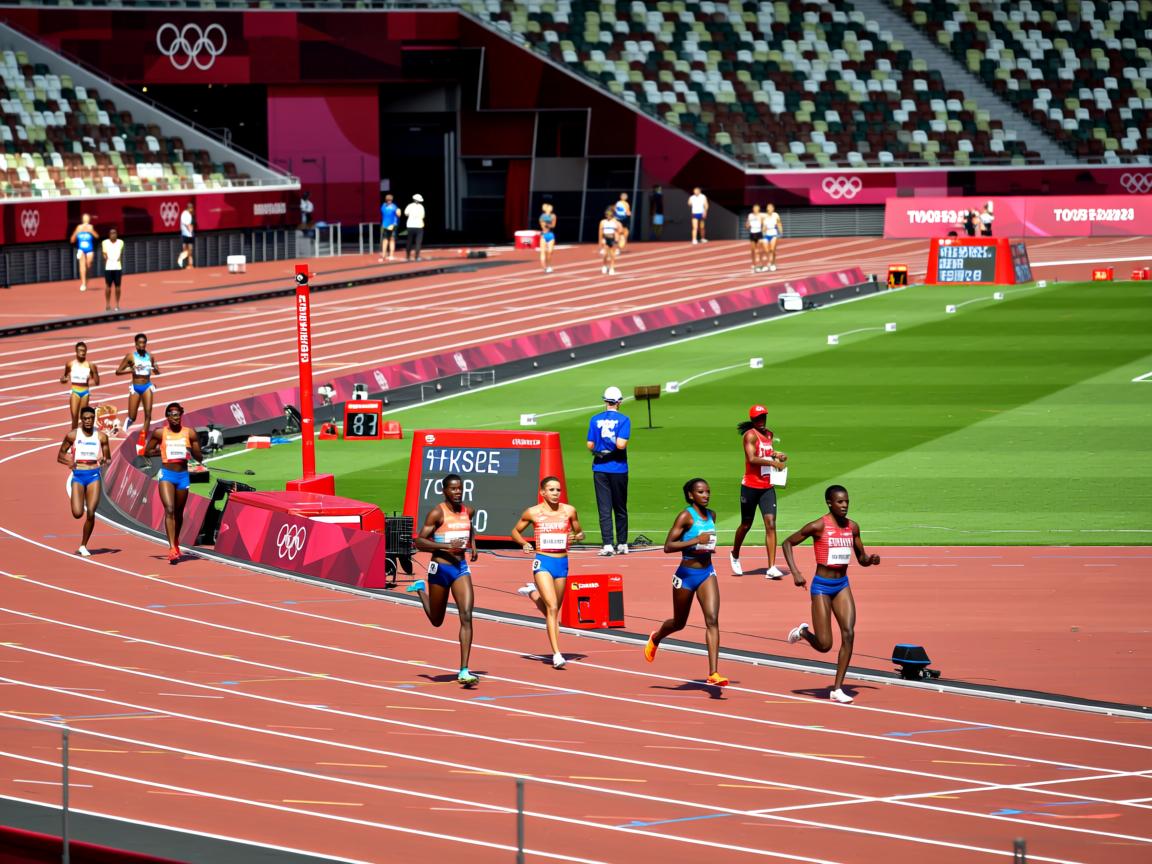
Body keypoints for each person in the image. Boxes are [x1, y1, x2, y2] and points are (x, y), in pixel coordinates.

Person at [781, 484, 881, 704]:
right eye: (839, 501)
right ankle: (804, 632)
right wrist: (796, 573)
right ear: (829, 502)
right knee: (825, 645)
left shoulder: (853, 527)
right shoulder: (818, 526)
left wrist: (870, 560)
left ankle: (837, 688)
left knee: (849, 633)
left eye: (846, 501)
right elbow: (787, 542)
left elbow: (861, 559)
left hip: (842, 585)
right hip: (822, 588)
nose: (844, 505)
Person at [644, 478, 728, 687]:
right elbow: (668, 546)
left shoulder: (712, 515)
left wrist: (707, 547)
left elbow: (707, 542)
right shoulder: (685, 516)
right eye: (701, 492)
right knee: (679, 623)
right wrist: (695, 542)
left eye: (708, 491)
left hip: (707, 573)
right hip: (686, 575)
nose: (706, 495)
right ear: (691, 495)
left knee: (712, 620)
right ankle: (656, 637)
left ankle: (714, 673)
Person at [407, 474, 480, 686]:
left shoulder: (469, 511)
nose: (458, 492)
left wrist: (473, 544)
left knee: (466, 615)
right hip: (439, 568)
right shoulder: (437, 513)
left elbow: (470, 527)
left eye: (460, 488)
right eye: (454, 489)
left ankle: (464, 670)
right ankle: (421, 590)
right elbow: (419, 541)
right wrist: (447, 546)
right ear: (445, 491)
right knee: (436, 621)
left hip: (460, 569)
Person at [511, 475, 584, 669]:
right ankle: (557, 654)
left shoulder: (569, 511)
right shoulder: (533, 512)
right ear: (543, 492)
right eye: (551, 490)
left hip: (562, 562)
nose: (555, 493)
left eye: (558, 490)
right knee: (552, 608)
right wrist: (525, 543)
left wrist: (577, 536)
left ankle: (532, 593)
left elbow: (580, 532)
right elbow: (515, 531)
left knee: (554, 610)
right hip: (542, 561)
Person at [730, 404, 788, 579]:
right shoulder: (750, 436)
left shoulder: (769, 434)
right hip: (750, 487)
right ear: (752, 420)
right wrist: (773, 463)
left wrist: (777, 455)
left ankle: (771, 567)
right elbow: (752, 458)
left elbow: (767, 452)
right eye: (757, 418)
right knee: (746, 524)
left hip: (767, 487)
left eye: (763, 417)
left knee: (770, 523)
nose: (761, 421)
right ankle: (734, 554)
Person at [142, 402, 201, 563]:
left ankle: (175, 541)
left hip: (182, 476)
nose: (174, 417)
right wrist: (163, 451)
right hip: (166, 475)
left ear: (181, 415)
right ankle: (172, 548)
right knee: (169, 508)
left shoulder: (190, 433)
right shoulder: (160, 433)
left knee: (179, 512)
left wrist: (190, 452)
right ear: (167, 417)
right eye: (170, 414)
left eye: (176, 414)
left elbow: (199, 457)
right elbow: (147, 451)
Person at [56, 405, 111, 558]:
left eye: (91, 418)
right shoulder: (73, 435)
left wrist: (104, 459)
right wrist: (68, 462)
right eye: (85, 418)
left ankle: (83, 545)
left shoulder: (101, 437)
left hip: (94, 475)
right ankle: (79, 500)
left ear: (94, 420)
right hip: (78, 476)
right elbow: (59, 455)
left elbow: (108, 459)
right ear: (81, 420)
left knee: (92, 512)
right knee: (77, 513)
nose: (88, 421)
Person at [586, 385, 630, 555]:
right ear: (619, 402)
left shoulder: (594, 419)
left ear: (605, 401)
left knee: (604, 507)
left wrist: (600, 450)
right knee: (620, 507)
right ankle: (622, 543)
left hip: (600, 468)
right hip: (618, 468)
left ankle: (607, 544)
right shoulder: (624, 419)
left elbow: (590, 444)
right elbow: (621, 444)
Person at [115, 333, 161, 436]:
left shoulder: (150, 357)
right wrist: (131, 369)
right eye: (140, 343)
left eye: (144, 343)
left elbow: (157, 372)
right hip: (135, 387)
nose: (142, 345)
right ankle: (126, 426)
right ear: (135, 344)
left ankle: (143, 438)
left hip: (147, 386)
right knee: (132, 416)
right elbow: (118, 372)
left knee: (148, 415)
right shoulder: (130, 357)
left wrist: (156, 369)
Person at [60, 341, 99, 429]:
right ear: (76, 351)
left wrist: (87, 382)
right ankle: (73, 437)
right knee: (74, 417)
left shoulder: (91, 365)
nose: (82, 352)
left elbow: (97, 381)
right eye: (80, 350)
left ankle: (83, 436)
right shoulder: (70, 364)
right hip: (75, 392)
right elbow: (64, 378)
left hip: (85, 392)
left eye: (84, 351)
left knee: (83, 417)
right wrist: (64, 380)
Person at [70, 213, 98, 293]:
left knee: (88, 265)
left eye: (87, 218)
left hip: (89, 249)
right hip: (81, 249)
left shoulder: (91, 227)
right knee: (82, 266)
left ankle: (87, 279)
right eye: (85, 218)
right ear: (82, 220)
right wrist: (77, 232)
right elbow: (72, 239)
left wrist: (91, 231)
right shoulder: (79, 227)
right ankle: (83, 284)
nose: (86, 220)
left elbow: (97, 236)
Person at [101, 227, 125, 312]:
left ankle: (117, 304)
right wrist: (105, 258)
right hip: (108, 268)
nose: (113, 235)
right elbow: (104, 254)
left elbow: (120, 253)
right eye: (111, 233)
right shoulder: (105, 243)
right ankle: (107, 304)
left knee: (118, 286)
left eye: (114, 233)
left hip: (117, 267)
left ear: (117, 234)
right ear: (109, 235)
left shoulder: (121, 242)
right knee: (108, 286)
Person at [598, 207, 622, 275]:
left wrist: (617, 241)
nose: (608, 216)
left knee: (612, 255)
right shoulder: (603, 222)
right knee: (605, 254)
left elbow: (618, 232)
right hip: (605, 239)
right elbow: (600, 233)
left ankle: (612, 268)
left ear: (612, 215)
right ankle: (604, 265)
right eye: (607, 215)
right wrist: (600, 242)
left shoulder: (616, 223)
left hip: (612, 239)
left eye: (610, 215)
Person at [404, 193, 426, 261]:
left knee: (409, 241)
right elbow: (423, 216)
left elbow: (406, 213)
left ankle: (407, 256)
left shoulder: (409, 206)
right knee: (418, 242)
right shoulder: (421, 207)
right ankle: (417, 256)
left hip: (410, 225)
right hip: (419, 226)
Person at [763, 203, 783, 272]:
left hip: (774, 234)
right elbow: (764, 227)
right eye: (769, 207)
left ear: (773, 208)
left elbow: (779, 223)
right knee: (767, 250)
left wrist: (781, 232)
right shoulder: (765, 216)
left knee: (772, 249)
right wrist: (762, 232)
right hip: (767, 235)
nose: (770, 208)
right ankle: (769, 262)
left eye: (772, 207)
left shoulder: (776, 215)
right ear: (767, 208)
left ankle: (772, 264)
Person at [379, 193, 400, 261]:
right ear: (386, 200)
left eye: (390, 200)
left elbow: (398, 214)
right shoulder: (386, 206)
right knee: (386, 240)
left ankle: (391, 255)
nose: (389, 201)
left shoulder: (391, 206)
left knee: (391, 240)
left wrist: (398, 212)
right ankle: (384, 255)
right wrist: (398, 212)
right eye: (388, 200)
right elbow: (398, 214)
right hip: (386, 225)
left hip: (393, 225)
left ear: (391, 200)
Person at [538, 201, 557, 273]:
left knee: (550, 251)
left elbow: (553, 225)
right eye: (549, 208)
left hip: (551, 235)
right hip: (544, 235)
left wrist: (548, 224)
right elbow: (542, 225)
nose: (551, 209)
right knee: (543, 252)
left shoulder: (553, 216)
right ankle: (544, 267)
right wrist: (545, 224)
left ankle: (548, 265)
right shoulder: (542, 216)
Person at [746, 204, 766, 273]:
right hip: (752, 233)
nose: (755, 209)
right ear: (753, 209)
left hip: (759, 233)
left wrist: (763, 231)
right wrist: (747, 226)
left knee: (759, 250)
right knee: (753, 250)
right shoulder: (750, 215)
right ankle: (753, 264)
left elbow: (763, 224)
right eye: (754, 208)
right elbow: (747, 224)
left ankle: (760, 264)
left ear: (759, 209)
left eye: (757, 208)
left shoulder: (761, 215)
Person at [176, 202, 195, 269]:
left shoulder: (188, 214)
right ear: (189, 208)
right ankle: (181, 259)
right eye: (191, 208)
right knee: (187, 250)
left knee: (189, 251)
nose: (192, 210)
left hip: (187, 234)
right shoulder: (185, 214)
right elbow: (187, 224)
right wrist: (190, 231)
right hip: (186, 235)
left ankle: (190, 264)